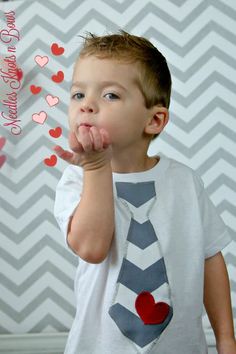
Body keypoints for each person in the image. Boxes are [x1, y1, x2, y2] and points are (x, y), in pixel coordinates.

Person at [53, 30, 235, 354]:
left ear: (154, 120)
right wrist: (96, 168)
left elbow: (210, 258)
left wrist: (226, 338)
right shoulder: (76, 180)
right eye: (78, 95)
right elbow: (92, 248)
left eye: (110, 95)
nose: (87, 106)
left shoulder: (185, 183)